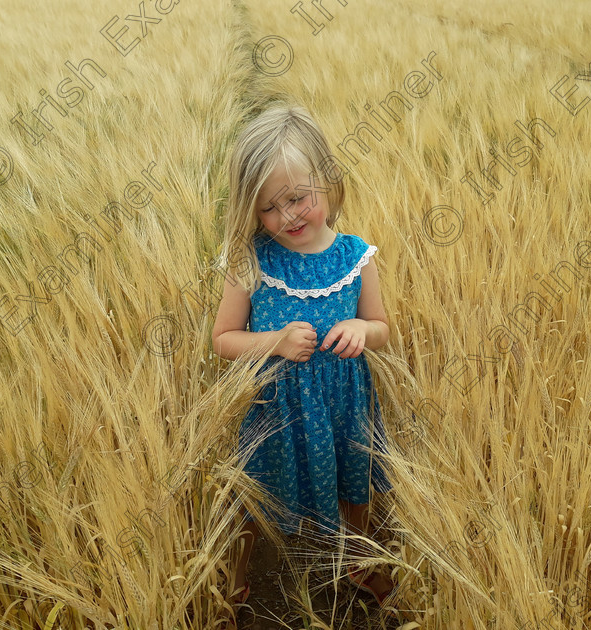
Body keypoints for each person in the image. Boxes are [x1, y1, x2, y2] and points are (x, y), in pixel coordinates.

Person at [211, 104, 398, 624]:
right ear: (251, 209)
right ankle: (238, 566)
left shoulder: (357, 257)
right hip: (276, 407)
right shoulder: (251, 261)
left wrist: (362, 330)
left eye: (298, 198)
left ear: (328, 184)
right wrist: (273, 341)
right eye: (269, 208)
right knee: (256, 490)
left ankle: (355, 558)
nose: (287, 216)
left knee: (351, 481)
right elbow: (223, 338)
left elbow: (382, 326)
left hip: (344, 401)